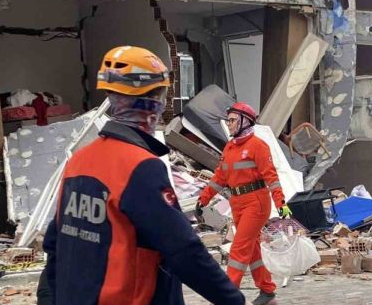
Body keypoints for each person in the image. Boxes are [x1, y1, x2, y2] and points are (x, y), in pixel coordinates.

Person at [42, 46, 245, 305]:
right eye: (161, 95)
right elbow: (183, 250)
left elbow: (56, 244)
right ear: (151, 100)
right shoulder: (140, 167)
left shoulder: (79, 162)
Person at [196, 102, 289, 305]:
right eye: (228, 120)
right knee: (252, 249)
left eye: (232, 120)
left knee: (239, 249)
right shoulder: (230, 147)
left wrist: (281, 203)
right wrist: (203, 199)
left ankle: (227, 296)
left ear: (245, 122)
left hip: (256, 203)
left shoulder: (258, 146)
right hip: (237, 202)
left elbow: (271, 178)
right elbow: (219, 178)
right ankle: (267, 292)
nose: (228, 124)